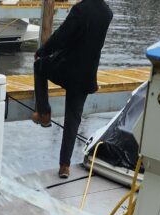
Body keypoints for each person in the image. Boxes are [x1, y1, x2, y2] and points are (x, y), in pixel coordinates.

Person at [32, 0, 113, 179]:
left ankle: (44, 113)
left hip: (68, 69)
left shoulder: (80, 10)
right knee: (73, 118)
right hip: (87, 75)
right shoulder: (107, 13)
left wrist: (43, 51)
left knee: (39, 66)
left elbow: (62, 36)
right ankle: (64, 166)